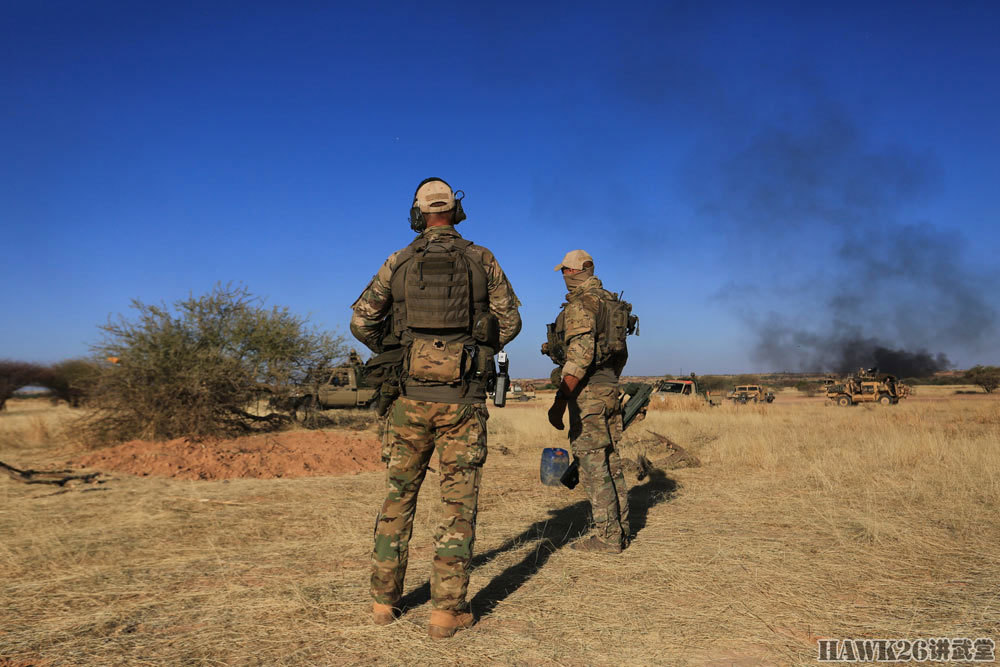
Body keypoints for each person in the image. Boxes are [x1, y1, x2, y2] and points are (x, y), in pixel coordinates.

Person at [350, 177, 521, 638]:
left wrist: (400, 348)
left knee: (397, 498)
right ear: (455, 212)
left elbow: (361, 319)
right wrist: (472, 350)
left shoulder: (399, 261)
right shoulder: (481, 259)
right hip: (462, 401)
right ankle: (447, 612)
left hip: (407, 400)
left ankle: (384, 604)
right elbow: (510, 322)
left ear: (419, 213)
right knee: (457, 505)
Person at [544, 250, 633, 554]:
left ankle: (608, 538)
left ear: (571, 273)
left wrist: (560, 401)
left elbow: (580, 357)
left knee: (593, 465)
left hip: (589, 395)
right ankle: (621, 529)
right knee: (610, 462)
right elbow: (618, 353)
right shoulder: (611, 302)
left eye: (564, 272)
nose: (563, 278)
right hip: (608, 390)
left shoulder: (582, 305)